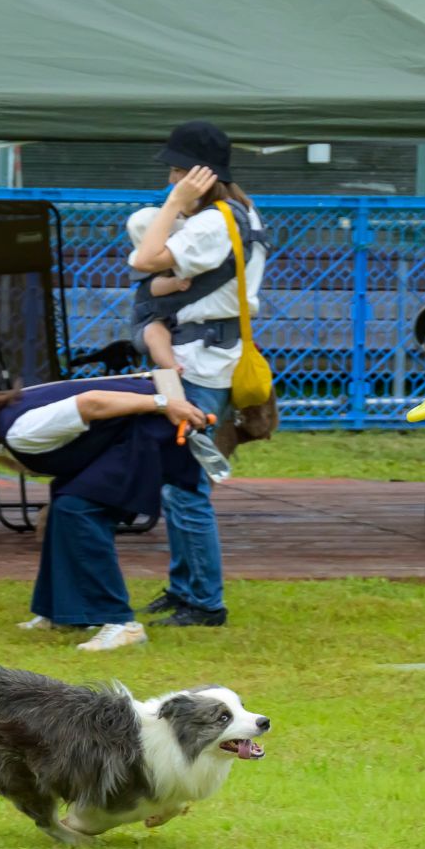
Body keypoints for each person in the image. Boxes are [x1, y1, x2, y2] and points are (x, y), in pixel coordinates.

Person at [0, 368, 208, 652]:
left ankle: (120, 624)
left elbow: (90, 403)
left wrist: (165, 404)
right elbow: (40, 452)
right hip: (134, 429)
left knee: (79, 508)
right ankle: (63, 614)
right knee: (65, 506)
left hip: (154, 428)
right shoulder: (9, 415)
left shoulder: (21, 429)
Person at [127, 120, 269, 631]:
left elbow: (144, 259)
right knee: (177, 481)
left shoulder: (214, 223)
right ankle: (185, 587)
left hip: (203, 362)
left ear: (199, 175)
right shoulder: (240, 213)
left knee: (186, 486)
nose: (171, 179)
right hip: (204, 356)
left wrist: (173, 204)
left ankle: (204, 601)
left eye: (178, 171)